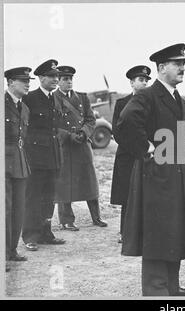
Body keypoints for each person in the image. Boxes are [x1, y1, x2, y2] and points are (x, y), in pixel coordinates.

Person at [117, 43, 185, 296]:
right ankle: (155, 289)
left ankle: (171, 285)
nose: (183, 68)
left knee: (174, 229)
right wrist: (148, 149)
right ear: (162, 68)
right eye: (178, 64)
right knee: (157, 231)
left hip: (179, 176)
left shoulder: (179, 100)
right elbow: (126, 123)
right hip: (157, 177)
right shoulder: (147, 95)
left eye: (184, 64)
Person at [54, 65, 107, 230]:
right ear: (58, 81)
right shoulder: (52, 99)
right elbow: (51, 124)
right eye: (65, 79)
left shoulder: (82, 98)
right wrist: (68, 135)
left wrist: (84, 133)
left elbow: (91, 120)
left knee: (89, 180)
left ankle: (96, 217)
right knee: (64, 183)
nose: (69, 82)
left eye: (70, 79)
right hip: (64, 146)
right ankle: (66, 220)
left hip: (82, 145)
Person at [22, 59, 66, 251]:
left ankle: (46, 233)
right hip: (36, 155)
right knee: (33, 196)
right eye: (51, 76)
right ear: (41, 78)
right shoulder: (29, 98)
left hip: (54, 154)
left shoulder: (56, 98)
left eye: (57, 76)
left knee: (49, 196)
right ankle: (30, 236)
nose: (56, 79)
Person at [110, 65, 151, 243]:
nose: (144, 83)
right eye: (141, 80)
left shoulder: (152, 102)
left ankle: (145, 232)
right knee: (127, 194)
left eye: (146, 80)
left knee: (147, 193)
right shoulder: (122, 103)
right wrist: (138, 148)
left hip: (148, 155)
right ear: (131, 82)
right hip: (128, 156)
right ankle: (125, 232)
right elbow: (117, 132)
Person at [4, 67, 34, 270]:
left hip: (20, 164)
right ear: (10, 83)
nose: (27, 83)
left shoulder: (24, 108)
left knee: (18, 209)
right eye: (22, 80)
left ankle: (11, 251)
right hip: (4, 165)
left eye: (28, 80)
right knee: (3, 211)